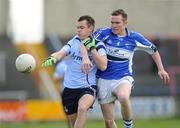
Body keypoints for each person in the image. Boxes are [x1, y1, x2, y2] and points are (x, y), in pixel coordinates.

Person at [82, 9, 170, 128]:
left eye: (117, 23)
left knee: (123, 96)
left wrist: (161, 69)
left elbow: (153, 50)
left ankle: (128, 126)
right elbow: (86, 42)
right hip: (103, 79)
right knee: (108, 122)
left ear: (125, 23)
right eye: (112, 22)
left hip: (123, 78)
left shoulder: (134, 38)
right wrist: (85, 58)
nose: (114, 25)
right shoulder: (103, 33)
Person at [42, 15, 107, 128]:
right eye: (77, 27)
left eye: (82, 27)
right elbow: (61, 53)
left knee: (82, 109)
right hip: (69, 89)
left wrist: (92, 49)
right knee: (73, 124)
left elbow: (103, 66)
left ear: (90, 28)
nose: (78, 30)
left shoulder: (99, 45)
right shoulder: (73, 41)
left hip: (87, 87)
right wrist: (52, 58)